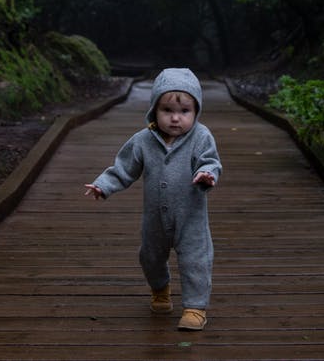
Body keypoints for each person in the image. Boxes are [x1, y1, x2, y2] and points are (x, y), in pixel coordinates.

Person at [83, 68, 222, 331]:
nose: (175, 118)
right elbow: (123, 168)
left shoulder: (201, 137)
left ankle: (195, 307)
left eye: (184, 112)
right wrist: (103, 185)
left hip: (190, 217)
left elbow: (210, 161)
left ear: (196, 111)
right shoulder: (143, 140)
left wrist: (206, 174)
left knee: (196, 260)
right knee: (150, 257)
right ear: (154, 110)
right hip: (154, 218)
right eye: (167, 110)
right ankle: (160, 289)